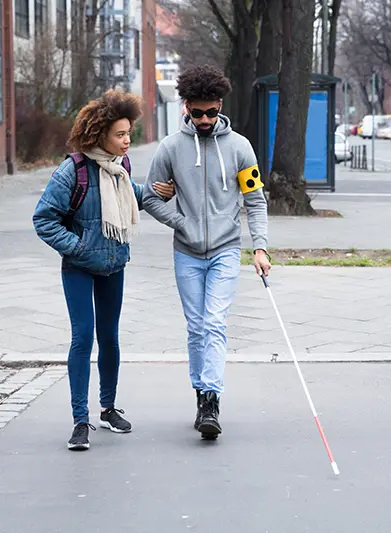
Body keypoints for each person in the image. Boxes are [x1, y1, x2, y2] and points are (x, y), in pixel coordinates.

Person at [32, 90, 175, 451]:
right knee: (83, 338)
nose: (128, 141)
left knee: (109, 337)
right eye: (120, 135)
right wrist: (79, 248)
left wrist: (154, 191)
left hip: (113, 265)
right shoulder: (73, 171)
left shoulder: (120, 168)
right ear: (99, 135)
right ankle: (80, 420)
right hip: (79, 267)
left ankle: (108, 408)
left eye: (129, 133)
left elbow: (124, 195)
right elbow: (43, 220)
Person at [142, 65, 271, 439]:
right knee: (196, 327)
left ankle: (212, 399)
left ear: (219, 106)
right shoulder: (170, 148)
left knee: (214, 322)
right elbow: (150, 197)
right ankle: (201, 393)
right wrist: (179, 222)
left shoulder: (239, 147)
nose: (203, 119)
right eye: (196, 112)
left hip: (226, 250)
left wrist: (259, 247)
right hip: (186, 252)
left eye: (210, 112)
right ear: (186, 107)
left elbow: (255, 201)